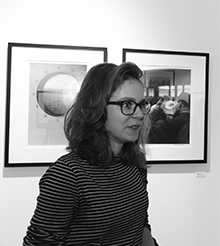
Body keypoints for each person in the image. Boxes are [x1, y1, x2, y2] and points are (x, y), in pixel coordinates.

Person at [23, 62, 159, 246]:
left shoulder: (135, 163)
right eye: (127, 104)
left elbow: (141, 225)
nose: (139, 114)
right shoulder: (67, 174)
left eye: (142, 104)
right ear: (98, 108)